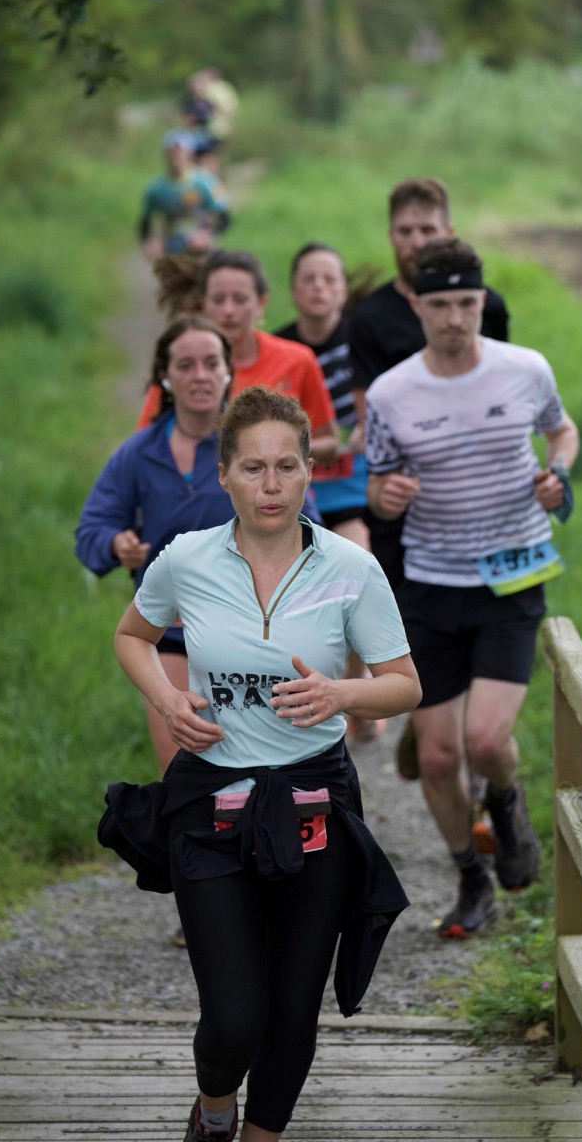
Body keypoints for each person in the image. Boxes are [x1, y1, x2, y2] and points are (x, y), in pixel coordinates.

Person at [100, 386, 421, 1141]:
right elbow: (132, 636)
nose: (270, 485)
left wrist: (341, 692)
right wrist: (168, 701)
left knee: (290, 1010)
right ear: (224, 475)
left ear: (310, 471)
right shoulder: (186, 558)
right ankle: (214, 1110)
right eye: (253, 468)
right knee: (234, 1019)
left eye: (286, 467)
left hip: (314, 801)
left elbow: (405, 684)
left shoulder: (351, 568)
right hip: (211, 803)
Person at [365, 237, 579, 940]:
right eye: (441, 305)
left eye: (467, 303)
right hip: (431, 584)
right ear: (417, 306)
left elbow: (562, 432)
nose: (455, 318)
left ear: (482, 301)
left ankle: (506, 802)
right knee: (436, 755)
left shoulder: (525, 369)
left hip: (511, 576)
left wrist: (557, 474)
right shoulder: (390, 394)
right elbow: (378, 483)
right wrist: (387, 496)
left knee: (486, 741)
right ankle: (470, 877)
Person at [75, 317, 323, 774]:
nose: (200, 375)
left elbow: (310, 525)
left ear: (228, 371)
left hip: (257, 627)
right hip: (173, 631)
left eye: (211, 363)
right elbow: (91, 529)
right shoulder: (138, 454)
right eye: (186, 365)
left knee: (267, 769)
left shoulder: (257, 446)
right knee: (184, 767)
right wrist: (114, 544)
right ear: (165, 376)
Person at [347, 177, 509, 593]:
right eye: (405, 231)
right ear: (391, 235)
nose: (416, 242)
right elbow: (370, 420)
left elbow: (501, 391)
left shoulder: (489, 306)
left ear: (448, 233)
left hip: (482, 491)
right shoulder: (369, 319)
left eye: (427, 230)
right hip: (405, 496)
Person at [275, 242, 382, 741]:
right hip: (291, 492)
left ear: (342, 290)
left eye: (329, 279)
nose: (318, 288)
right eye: (309, 279)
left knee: (357, 573)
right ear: (293, 289)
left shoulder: (364, 341)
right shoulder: (278, 348)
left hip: (350, 486)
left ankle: (357, 691)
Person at [136, 250, 340, 468]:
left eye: (240, 299)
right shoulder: (183, 366)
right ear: (203, 304)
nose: (229, 310)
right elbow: (143, 448)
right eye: (218, 300)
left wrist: (282, 449)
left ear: (261, 303)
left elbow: (330, 444)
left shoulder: (298, 360)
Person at [138, 130, 231, 263]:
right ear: (166, 154)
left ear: (190, 154)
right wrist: (149, 241)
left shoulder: (206, 182)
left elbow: (225, 216)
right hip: (170, 248)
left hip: (200, 250)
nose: (177, 156)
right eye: (173, 152)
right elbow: (145, 220)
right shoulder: (156, 188)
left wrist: (208, 234)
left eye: (181, 152)